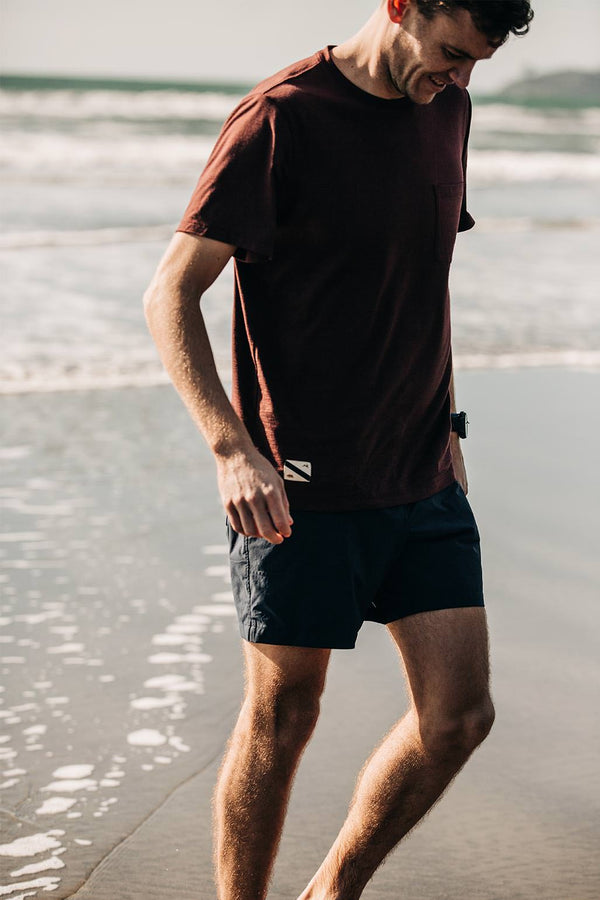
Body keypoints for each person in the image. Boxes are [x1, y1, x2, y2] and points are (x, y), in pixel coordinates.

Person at [144, 0, 533, 896]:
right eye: (449, 53)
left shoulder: (450, 109)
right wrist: (229, 448)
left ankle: (332, 892)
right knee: (283, 718)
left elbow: (410, 285)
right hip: (298, 482)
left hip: (424, 473)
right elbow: (171, 293)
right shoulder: (282, 118)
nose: (459, 78)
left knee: (459, 719)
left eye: (475, 64)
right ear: (401, 5)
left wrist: (449, 425)